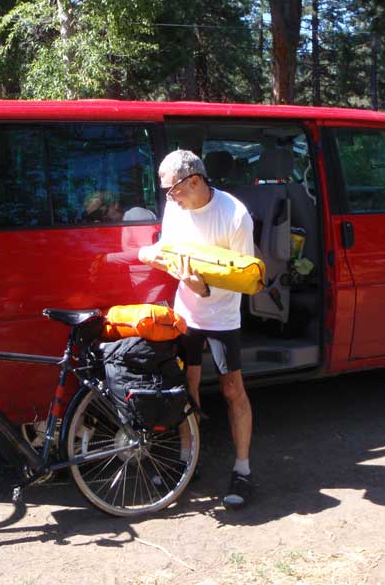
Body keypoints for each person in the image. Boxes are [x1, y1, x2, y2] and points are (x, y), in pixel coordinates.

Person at [138, 149, 256, 510]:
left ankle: (243, 469)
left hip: (222, 315)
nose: (168, 199)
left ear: (194, 181)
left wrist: (204, 288)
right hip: (186, 311)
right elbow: (171, 251)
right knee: (186, 387)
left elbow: (244, 276)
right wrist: (151, 255)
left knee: (232, 388)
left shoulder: (234, 215)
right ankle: (189, 463)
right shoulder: (177, 207)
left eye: (172, 191)